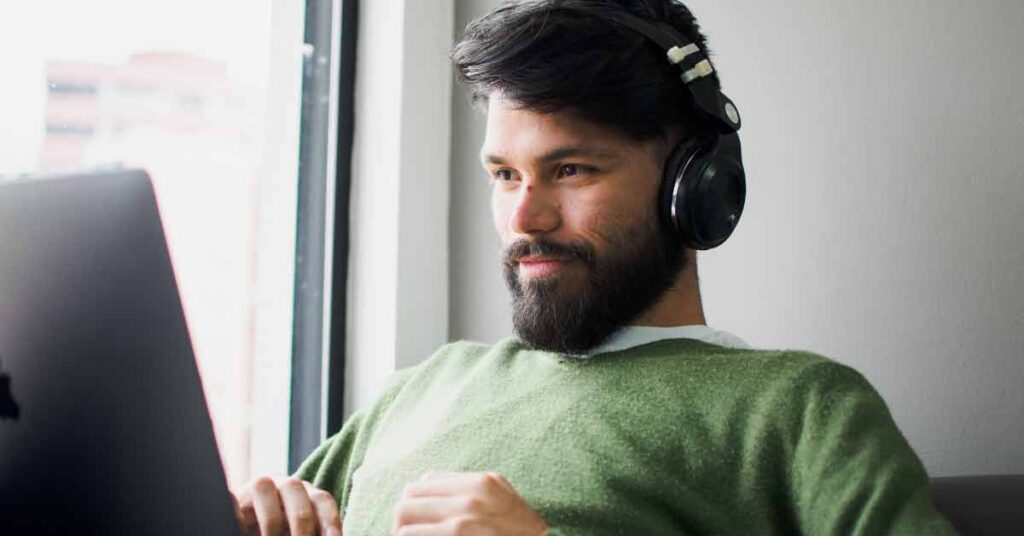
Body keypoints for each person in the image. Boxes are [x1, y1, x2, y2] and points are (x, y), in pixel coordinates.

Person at [234, 1, 957, 534]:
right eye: (505, 175)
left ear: (694, 181)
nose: (525, 218)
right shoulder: (421, 389)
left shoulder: (796, 407)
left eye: (570, 169)